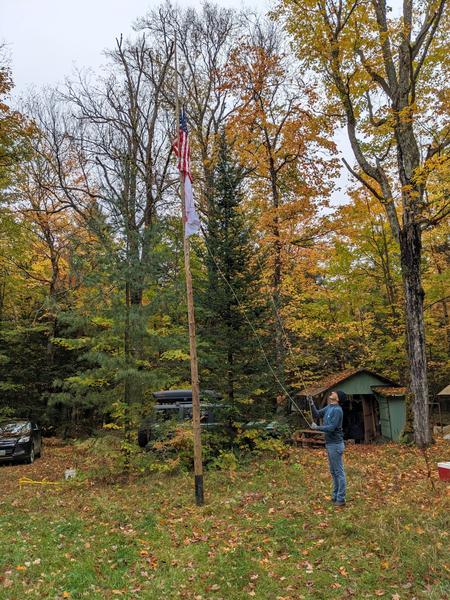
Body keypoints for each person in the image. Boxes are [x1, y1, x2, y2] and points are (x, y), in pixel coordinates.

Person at [309, 390, 347, 507]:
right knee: (333, 471)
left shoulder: (338, 410)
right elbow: (317, 414)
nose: (332, 392)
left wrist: (317, 428)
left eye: (334, 392)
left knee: (339, 472)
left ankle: (341, 499)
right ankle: (335, 496)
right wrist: (311, 403)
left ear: (338, 398)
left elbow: (332, 428)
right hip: (330, 444)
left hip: (336, 444)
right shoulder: (329, 407)